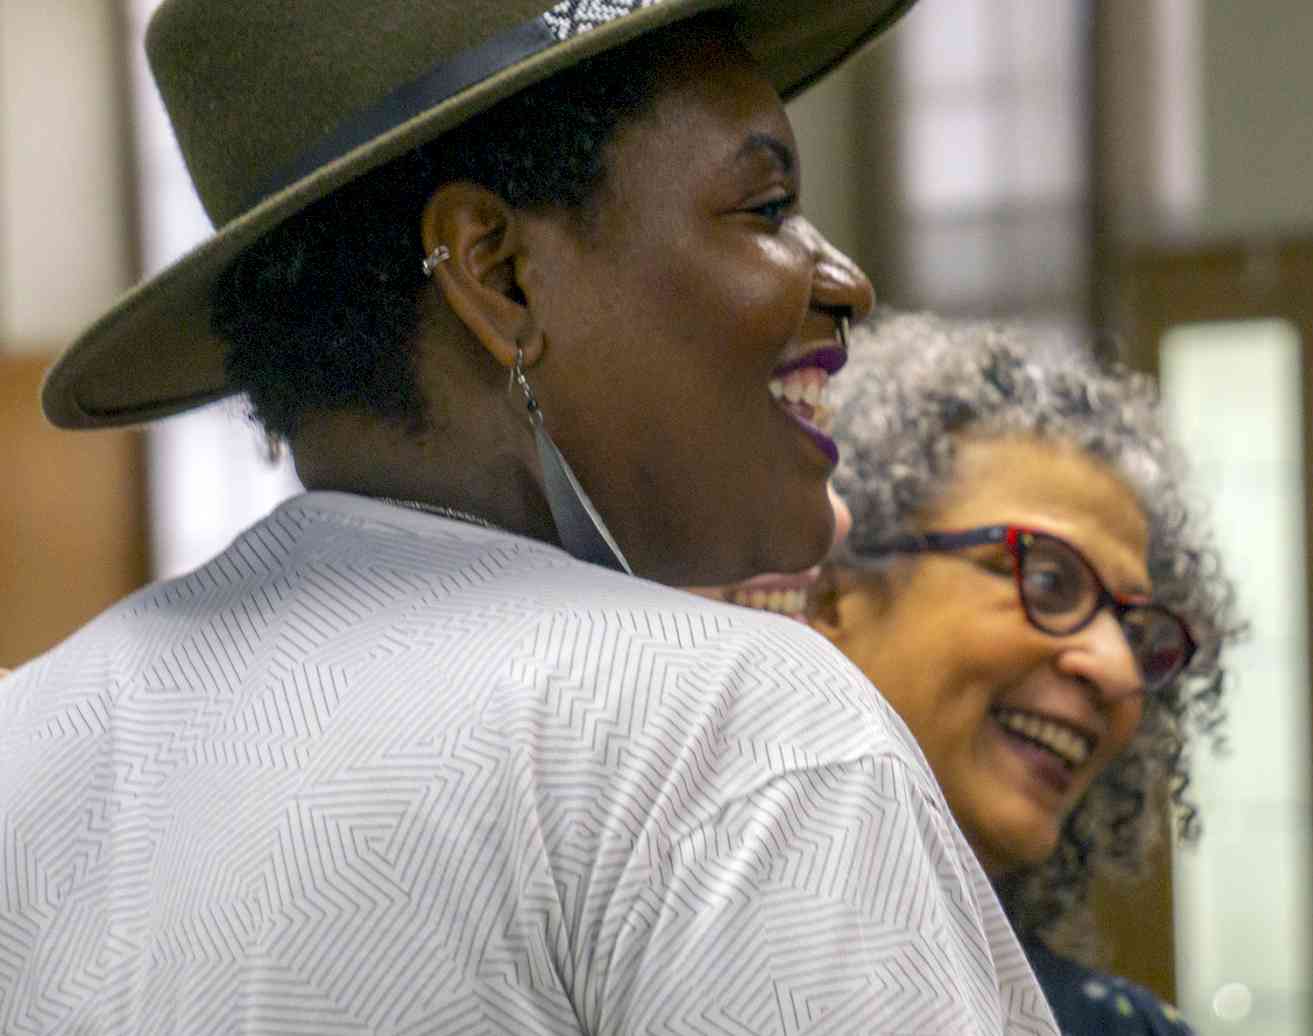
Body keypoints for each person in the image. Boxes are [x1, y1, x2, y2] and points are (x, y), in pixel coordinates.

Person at [0, 4, 1060, 1033]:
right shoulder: (722, 730)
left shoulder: (29, 745)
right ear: (495, 271)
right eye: (767, 208)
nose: (847, 283)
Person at [699, 313, 1241, 1034]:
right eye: (1049, 582)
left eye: (1138, 634)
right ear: (832, 594)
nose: (1116, 669)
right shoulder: (631, 971)